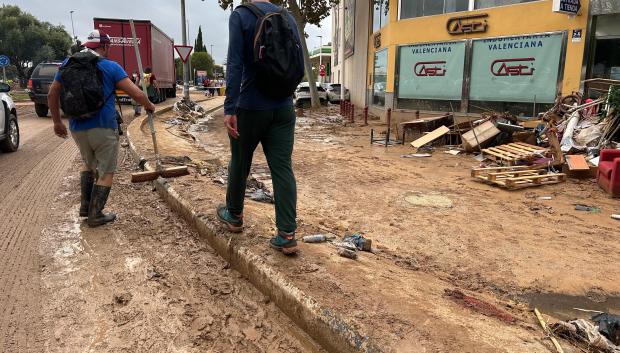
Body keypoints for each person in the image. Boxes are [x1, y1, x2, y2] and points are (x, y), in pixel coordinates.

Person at [217, 0, 303, 254]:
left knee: (240, 162)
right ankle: (287, 234)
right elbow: (296, 61)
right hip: (284, 107)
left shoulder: (241, 16)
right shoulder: (286, 16)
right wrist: (287, 93)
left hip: (250, 107)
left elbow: (234, 64)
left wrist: (230, 108)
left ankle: (234, 215)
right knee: (282, 168)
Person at [48, 29, 156, 227]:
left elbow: (52, 93)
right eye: (109, 47)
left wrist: (57, 121)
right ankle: (95, 215)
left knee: (88, 164)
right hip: (103, 127)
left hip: (77, 126)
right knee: (106, 172)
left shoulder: (67, 64)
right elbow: (137, 94)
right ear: (104, 46)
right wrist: (149, 106)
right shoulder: (110, 67)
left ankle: (85, 206)